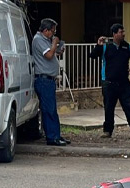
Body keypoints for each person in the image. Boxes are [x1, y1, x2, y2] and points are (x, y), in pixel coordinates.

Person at [89, 24, 130, 139]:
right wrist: (98, 45)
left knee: (128, 105)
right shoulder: (106, 47)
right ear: (114, 34)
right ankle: (107, 131)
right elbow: (92, 56)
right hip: (109, 83)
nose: (123, 34)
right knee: (109, 107)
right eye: (121, 32)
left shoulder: (127, 47)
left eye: (123, 32)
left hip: (123, 82)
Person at [32, 18, 71, 146]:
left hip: (49, 79)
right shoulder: (38, 40)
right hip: (44, 79)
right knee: (49, 109)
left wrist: (58, 50)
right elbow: (48, 55)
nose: (54, 34)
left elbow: (52, 54)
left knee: (52, 109)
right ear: (46, 30)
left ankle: (56, 135)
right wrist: (54, 43)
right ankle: (52, 137)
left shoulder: (45, 40)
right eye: (52, 31)